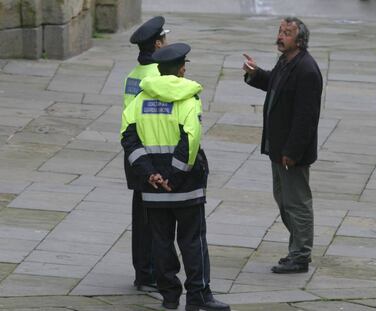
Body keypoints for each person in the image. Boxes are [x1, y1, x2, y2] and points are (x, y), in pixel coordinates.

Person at [121, 43, 231, 311]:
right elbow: (190, 140)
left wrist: (152, 175)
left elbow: (129, 139)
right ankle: (199, 295)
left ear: (158, 69)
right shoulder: (188, 98)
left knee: (161, 242)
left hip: (154, 188)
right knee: (193, 241)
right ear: (180, 69)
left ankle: (170, 297)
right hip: (186, 186)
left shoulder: (140, 100)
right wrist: (174, 176)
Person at [243, 17, 322, 274]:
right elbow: (274, 84)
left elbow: (306, 118)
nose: (281, 36)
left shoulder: (307, 70)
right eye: (280, 31)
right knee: (284, 200)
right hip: (278, 149)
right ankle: (296, 250)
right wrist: (255, 74)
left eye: (287, 33)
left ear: (299, 40)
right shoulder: (287, 62)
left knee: (297, 202)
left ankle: (300, 256)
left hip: (291, 153)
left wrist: (292, 152)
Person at [120, 16, 169, 291]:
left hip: (135, 156)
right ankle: (152, 274)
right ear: (158, 44)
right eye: (166, 41)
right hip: (154, 159)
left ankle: (143, 272)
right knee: (157, 221)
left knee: (141, 218)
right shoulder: (158, 78)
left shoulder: (132, 75)